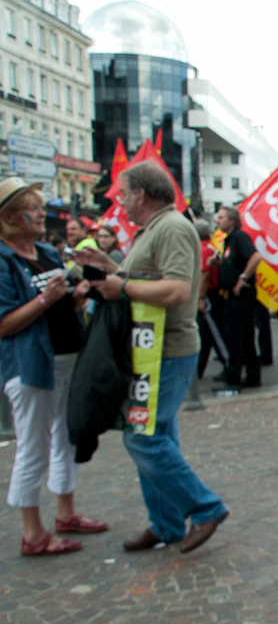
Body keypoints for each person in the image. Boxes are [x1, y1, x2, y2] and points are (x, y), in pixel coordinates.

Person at [78, 161, 230, 553]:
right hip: (150, 349)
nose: (121, 202)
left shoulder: (173, 227)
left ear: (141, 194)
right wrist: (110, 269)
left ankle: (205, 507)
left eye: (124, 194)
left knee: (142, 438)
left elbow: (178, 290)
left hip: (166, 349)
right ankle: (165, 525)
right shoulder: (155, 229)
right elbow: (146, 278)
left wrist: (120, 286)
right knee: (155, 435)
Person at [0, 177, 107, 556]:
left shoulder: (46, 251)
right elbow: (5, 324)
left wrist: (76, 296)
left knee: (66, 437)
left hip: (67, 358)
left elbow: (66, 305)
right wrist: (46, 300)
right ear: (10, 216)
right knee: (33, 446)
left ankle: (66, 513)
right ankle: (33, 533)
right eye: (33, 207)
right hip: (31, 366)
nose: (41, 213)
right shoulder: (3, 259)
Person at [213, 206, 261, 389]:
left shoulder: (240, 237)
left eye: (221, 217)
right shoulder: (229, 240)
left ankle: (233, 378)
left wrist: (242, 279)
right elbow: (234, 263)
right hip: (235, 294)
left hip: (241, 294)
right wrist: (218, 265)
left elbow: (255, 258)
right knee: (246, 335)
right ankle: (252, 375)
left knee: (235, 336)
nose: (218, 220)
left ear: (232, 220)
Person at [195, 220, 225, 380]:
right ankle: (197, 369)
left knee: (212, 333)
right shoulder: (210, 247)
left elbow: (204, 275)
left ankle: (228, 363)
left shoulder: (203, 250)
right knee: (208, 334)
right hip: (212, 295)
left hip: (209, 296)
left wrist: (200, 298)